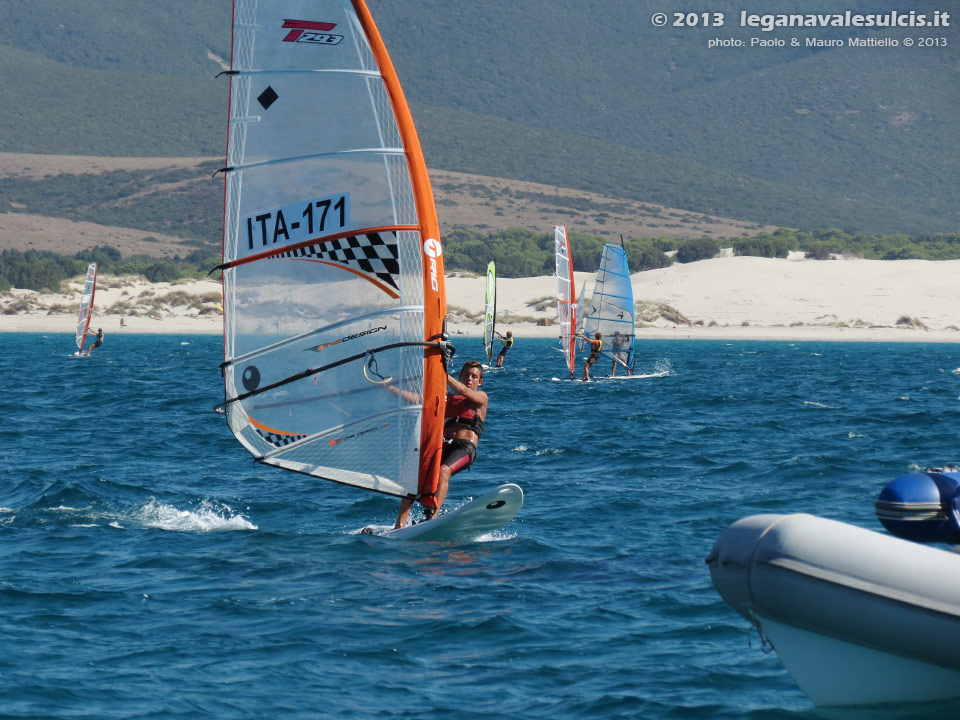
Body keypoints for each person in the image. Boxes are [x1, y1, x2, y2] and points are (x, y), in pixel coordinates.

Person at [394, 360, 488, 529]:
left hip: (465, 448)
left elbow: (463, 390)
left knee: (443, 471)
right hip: (442, 444)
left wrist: (441, 374)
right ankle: (399, 524)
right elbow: (416, 399)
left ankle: (433, 518)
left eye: (474, 376)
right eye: (466, 375)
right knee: (414, 476)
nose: (469, 378)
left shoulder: (481, 397)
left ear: (479, 382)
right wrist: (388, 388)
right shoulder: (446, 399)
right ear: (460, 376)